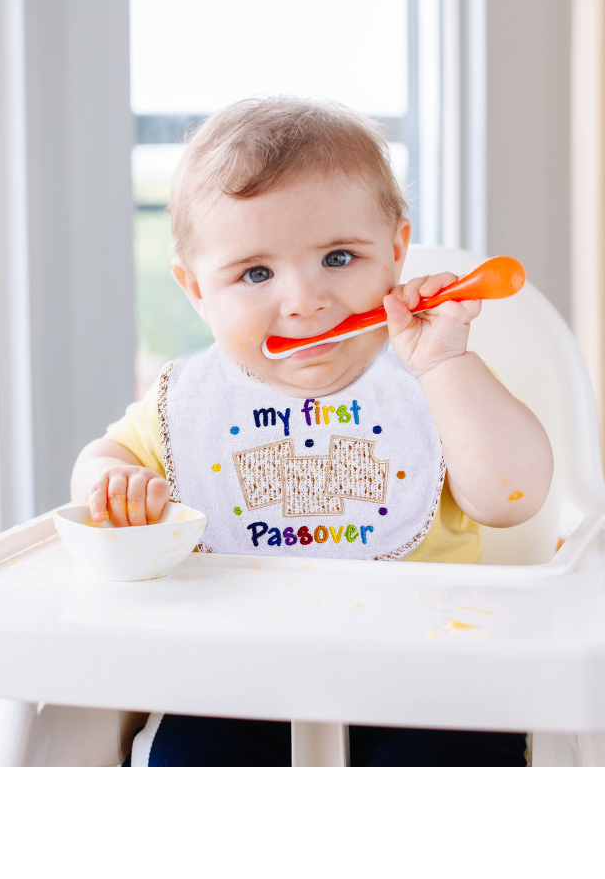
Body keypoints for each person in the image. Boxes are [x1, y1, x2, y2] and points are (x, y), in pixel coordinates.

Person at [71, 96, 553, 767]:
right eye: (256, 273)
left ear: (394, 253)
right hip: (235, 690)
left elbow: (514, 498)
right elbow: (103, 458)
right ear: (195, 290)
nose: (303, 299)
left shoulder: (430, 375)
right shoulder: (190, 402)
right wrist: (114, 484)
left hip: (427, 686)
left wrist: (446, 364)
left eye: (338, 258)